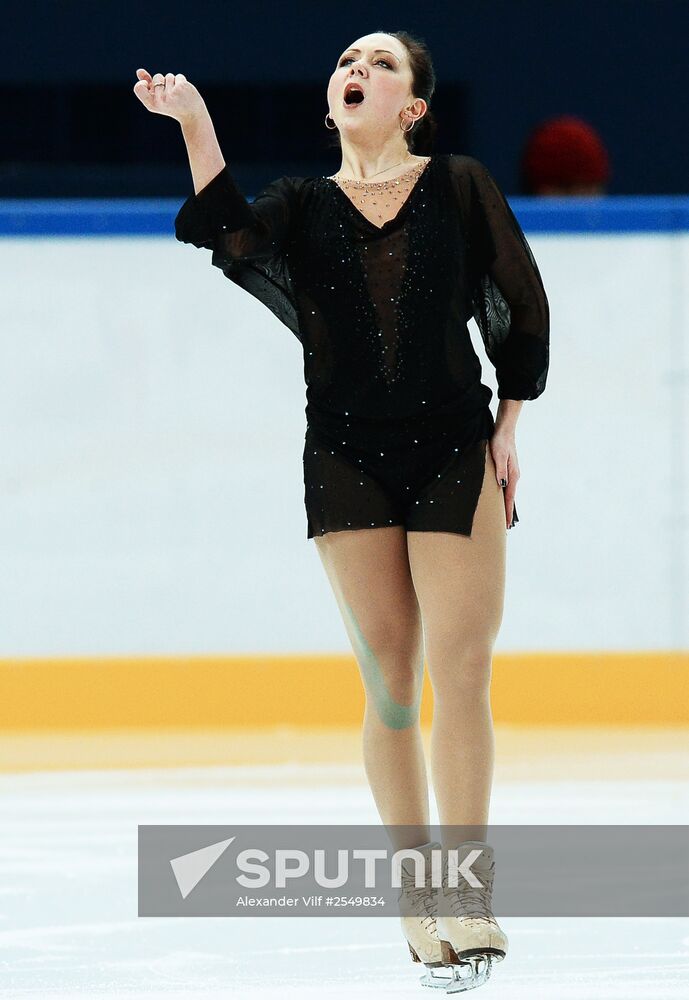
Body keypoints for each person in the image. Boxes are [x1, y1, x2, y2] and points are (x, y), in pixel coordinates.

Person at [134, 27, 549, 991]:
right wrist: (195, 122)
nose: (358, 69)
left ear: (414, 105)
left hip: (454, 448)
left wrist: (510, 424)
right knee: (395, 686)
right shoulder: (300, 206)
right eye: (347, 63)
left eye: (384, 64)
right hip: (348, 463)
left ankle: (467, 887)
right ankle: (418, 903)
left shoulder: (458, 184)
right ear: (333, 101)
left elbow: (520, 304)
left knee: (462, 667)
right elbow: (223, 231)